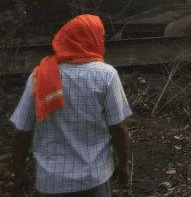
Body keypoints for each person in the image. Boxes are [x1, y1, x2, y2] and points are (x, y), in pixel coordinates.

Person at [9, 14, 132, 196]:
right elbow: (118, 128)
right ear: (91, 39)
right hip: (94, 177)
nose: (102, 41)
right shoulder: (106, 75)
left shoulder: (39, 76)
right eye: (101, 36)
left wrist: (18, 173)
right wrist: (123, 164)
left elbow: (22, 131)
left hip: (50, 182)